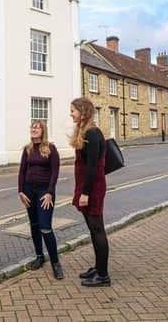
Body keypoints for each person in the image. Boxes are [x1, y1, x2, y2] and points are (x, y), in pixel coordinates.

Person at [69, 97, 110, 287]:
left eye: (73, 111)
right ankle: (98, 267)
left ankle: (103, 275)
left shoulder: (93, 133)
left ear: (83, 111)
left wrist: (85, 193)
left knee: (97, 228)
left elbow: (93, 167)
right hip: (86, 186)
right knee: (93, 230)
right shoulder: (85, 132)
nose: (71, 114)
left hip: (92, 188)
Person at [18, 120, 64, 279]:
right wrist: (21, 191)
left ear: (43, 131)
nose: (33, 129)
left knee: (45, 227)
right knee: (34, 225)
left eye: (37, 127)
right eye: (32, 127)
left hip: (45, 191)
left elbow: (55, 172)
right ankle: (39, 256)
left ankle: (56, 263)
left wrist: (50, 192)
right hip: (29, 190)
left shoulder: (50, 148)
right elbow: (22, 171)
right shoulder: (27, 149)